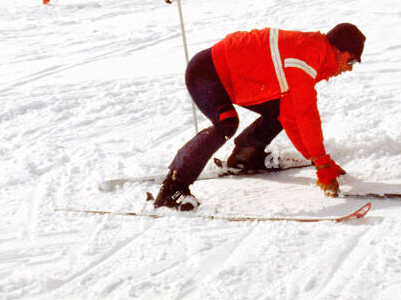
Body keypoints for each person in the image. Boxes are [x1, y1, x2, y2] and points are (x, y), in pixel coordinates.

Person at [152, 23, 366, 211]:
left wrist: (320, 162)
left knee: (279, 111)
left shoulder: (313, 54)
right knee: (226, 124)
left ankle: (246, 156)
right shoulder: (307, 55)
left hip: (237, 80)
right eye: (351, 61)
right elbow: (306, 115)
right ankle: (172, 188)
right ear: (338, 49)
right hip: (206, 73)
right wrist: (321, 164)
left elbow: (291, 117)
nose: (349, 69)